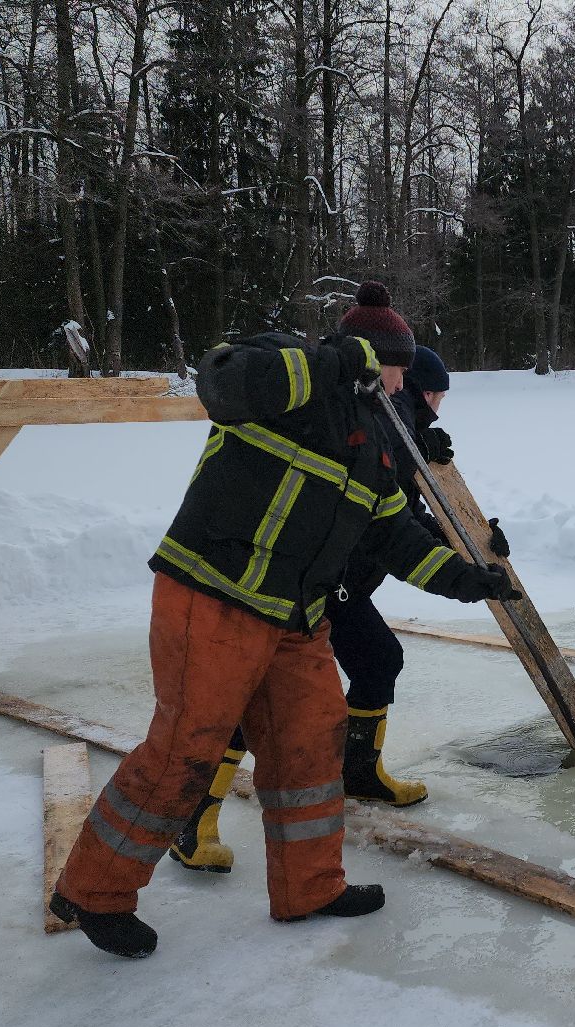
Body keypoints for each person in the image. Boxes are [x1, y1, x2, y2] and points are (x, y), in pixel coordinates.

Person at [51, 326, 520, 958]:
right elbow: (220, 379)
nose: (403, 386)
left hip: (296, 617)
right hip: (214, 595)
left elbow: (397, 540)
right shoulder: (290, 384)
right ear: (366, 361)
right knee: (185, 747)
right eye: (395, 370)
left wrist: (472, 582)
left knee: (310, 746)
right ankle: (95, 892)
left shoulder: (375, 445)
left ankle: (310, 888)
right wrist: (331, 363)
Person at [168, 294, 509, 872]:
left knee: (366, 666)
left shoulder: (394, 425)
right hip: (311, 578)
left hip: (324, 578)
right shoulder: (346, 405)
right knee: (270, 693)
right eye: (421, 385)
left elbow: (396, 519)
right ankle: (195, 813)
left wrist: (465, 549)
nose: (424, 397)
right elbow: (232, 384)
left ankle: (349, 783)